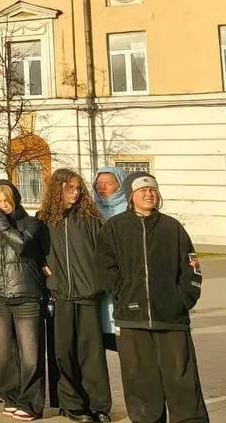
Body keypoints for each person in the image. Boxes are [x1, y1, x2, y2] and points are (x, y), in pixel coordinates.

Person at [97, 173, 208, 423]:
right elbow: (104, 267)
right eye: (142, 190)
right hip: (132, 320)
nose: (149, 194)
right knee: (140, 383)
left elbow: (192, 267)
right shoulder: (114, 228)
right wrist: (122, 292)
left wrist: (183, 299)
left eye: (153, 190)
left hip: (172, 320)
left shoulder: (172, 227)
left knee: (183, 381)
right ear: (130, 196)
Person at [39, 168, 112, 423]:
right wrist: (46, 272)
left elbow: (104, 254)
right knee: (63, 353)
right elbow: (35, 253)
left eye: (78, 189)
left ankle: (99, 405)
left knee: (91, 354)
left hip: (88, 295)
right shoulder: (45, 220)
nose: (75, 193)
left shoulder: (90, 218)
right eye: (70, 188)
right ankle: (71, 404)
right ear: (57, 190)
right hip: (61, 296)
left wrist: (99, 282)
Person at [0, 183, 47, 422]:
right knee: (3, 356)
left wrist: (0, 222)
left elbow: (21, 245)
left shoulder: (30, 223)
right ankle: (11, 397)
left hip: (26, 296)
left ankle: (31, 404)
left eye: (5, 201)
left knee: (30, 355)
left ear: (15, 201)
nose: (0, 207)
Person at [92, 166, 129, 351]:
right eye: (99, 184)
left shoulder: (129, 208)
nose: (102, 188)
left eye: (109, 183)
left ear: (120, 185)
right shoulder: (90, 210)